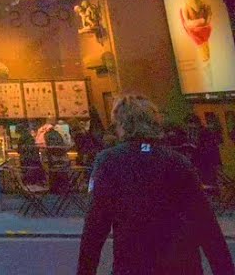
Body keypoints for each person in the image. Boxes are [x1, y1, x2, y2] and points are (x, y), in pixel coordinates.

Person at [77, 95, 234, 275]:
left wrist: (85, 270)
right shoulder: (177, 161)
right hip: (181, 263)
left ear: (122, 125)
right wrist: (224, 269)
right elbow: (205, 221)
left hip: (134, 263)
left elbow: (95, 225)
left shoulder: (109, 161)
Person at [185, 113, 222, 189]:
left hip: (206, 162)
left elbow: (211, 148)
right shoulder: (192, 132)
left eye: (191, 123)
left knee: (208, 181)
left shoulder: (205, 133)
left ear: (196, 123)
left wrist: (196, 149)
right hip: (199, 161)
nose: (190, 126)